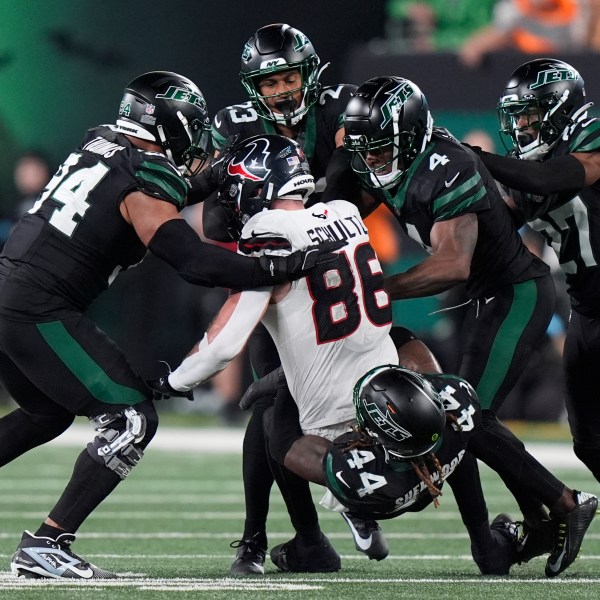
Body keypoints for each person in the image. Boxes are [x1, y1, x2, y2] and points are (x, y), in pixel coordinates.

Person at [0, 71, 339, 580]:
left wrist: (219, 175)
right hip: (37, 307)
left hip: (12, 292)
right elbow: (192, 261)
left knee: (46, 412)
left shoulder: (102, 140)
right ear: (173, 124)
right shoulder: (145, 175)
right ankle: (47, 544)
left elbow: (162, 187)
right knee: (131, 419)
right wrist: (278, 267)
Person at [327, 75, 598, 575]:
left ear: (409, 135)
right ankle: (540, 519)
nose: (374, 160)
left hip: (516, 293)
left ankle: (564, 505)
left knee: (463, 418)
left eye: (383, 147)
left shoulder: (445, 166)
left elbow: (454, 264)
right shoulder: (393, 160)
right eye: (368, 150)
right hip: (486, 299)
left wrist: (376, 288)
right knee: (467, 420)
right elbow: (340, 209)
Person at [149, 132, 402, 574]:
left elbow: (226, 343)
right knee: (273, 399)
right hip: (383, 382)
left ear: (257, 184)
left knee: (277, 432)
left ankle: (353, 488)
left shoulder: (265, 230)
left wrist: (173, 381)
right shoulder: (345, 212)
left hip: (326, 404)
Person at [189, 23, 365, 576]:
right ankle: (264, 538)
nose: (281, 90)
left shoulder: (342, 110)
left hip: (336, 270)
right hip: (270, 272)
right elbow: (211, 210)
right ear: (253, 88)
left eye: (289, 76)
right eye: (269, 82)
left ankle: (357, 495)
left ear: (309, 73)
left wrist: (323, 209)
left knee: (356, 383)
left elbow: (364, 194)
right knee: (271, 406)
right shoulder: (233, 127)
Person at [250, 362, 598, 577]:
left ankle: (321, 532)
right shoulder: (453, 404)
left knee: (269, 418)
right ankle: (529, 524)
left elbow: (282, 444)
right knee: (466, 428)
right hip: (437, 458)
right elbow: (459, 420)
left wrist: (287, 380)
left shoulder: (364, 477)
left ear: (376, 438)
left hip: (389, 491)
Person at [464, 58, 600, 483]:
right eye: (516, 114)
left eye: (529, 112)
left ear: (559, 109)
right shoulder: (528, 165)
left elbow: (554, 178)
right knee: (590, 442)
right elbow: (501, 224)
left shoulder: (591, 130)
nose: (521, 124)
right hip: (587, 304)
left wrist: (478, 159)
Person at [459, 0, 589, 68]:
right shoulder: (514, 8)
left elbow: (583, 43)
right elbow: (490, 37)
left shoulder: (574, 9)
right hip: (522, 71)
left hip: (562, 71)